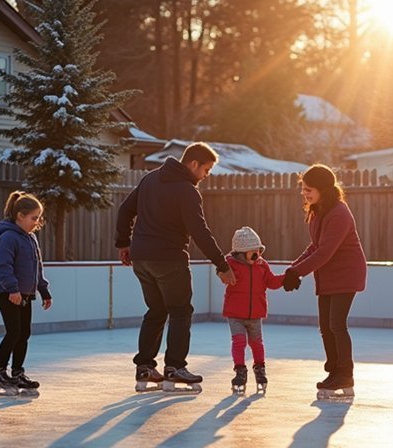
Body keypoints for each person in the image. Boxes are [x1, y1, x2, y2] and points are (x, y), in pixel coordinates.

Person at [115, 142, 237, 394]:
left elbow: (125, 210)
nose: (206, 175)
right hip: (169, 260)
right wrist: (222, 265)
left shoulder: (150, 179)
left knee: (156, 311)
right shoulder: (187, 190)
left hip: (142, 259)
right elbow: (199, 232)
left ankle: (145, 368)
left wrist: (123, 243)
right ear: (193, 163)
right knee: (181, 311)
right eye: (206, 169)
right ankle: (175, 368)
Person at [282, 164, 367, 400]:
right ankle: (334, 372)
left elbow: (325, 251)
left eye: (308, 189)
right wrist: (293, 269)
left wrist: (297, 272)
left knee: (336, 325)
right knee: (325, 326)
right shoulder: (319, 210)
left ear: (323, 189)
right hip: (328, 274)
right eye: (303, 188)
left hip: (346, 273)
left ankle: (345, 375)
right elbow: (315, 246)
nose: (304, 193)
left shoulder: (339, 213)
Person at [0, 191, 52, 397]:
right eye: (33, 218)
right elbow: (2, 266)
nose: (37, 222)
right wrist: (12, 289)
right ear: (20, 216)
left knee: (24, 333)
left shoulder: (30, 238)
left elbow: (37, 267)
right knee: (13, 332)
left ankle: (17, 373)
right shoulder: (8, 237)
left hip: (24, 293)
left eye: (38, 218)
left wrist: (43, 289)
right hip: (7, 293)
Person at [222, 226, 285, 395]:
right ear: (241, 253)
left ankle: (260, 369)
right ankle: (240, 371)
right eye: (253, 252)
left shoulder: (262, 266)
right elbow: (222, 272)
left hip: (255, 314)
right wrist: (221, 271)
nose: (257, 255)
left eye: (258, 251)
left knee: (256, 343)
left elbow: (272, 282)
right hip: (235, 314)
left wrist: (287, 278)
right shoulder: (231, 265)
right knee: (239, 341)